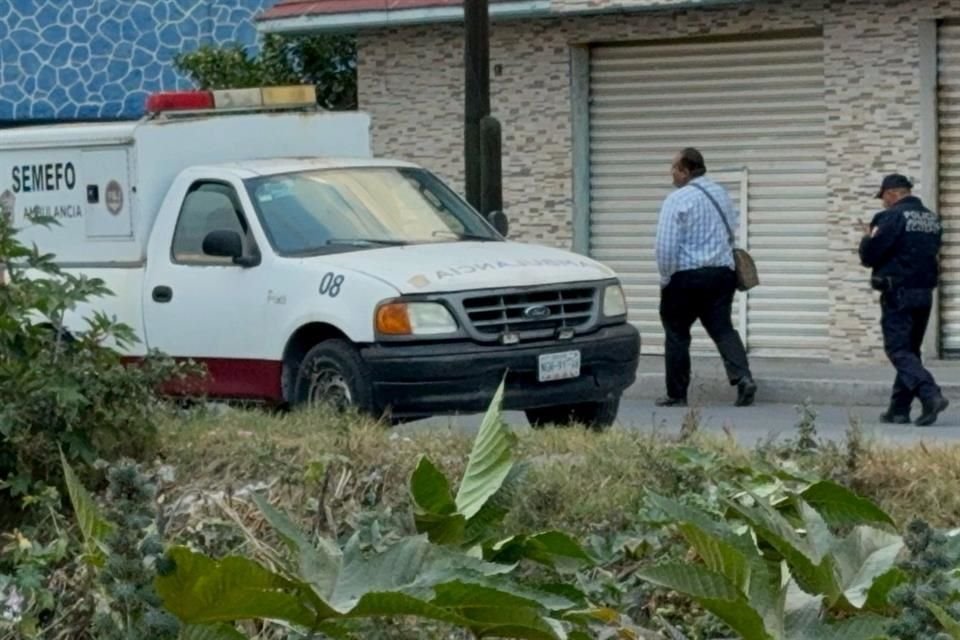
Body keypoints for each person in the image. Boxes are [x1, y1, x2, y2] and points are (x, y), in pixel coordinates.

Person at [654, 148, 756, 407]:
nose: (672, 175)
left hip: (686, 278)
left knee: (677, 333)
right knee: (722, 328)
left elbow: (666, 248)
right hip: (721, 275)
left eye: (674, 169)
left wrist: (666, 278)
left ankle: (677, 395)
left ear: (686, 171)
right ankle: (743, 378)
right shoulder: (721, 194)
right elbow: (730, 230)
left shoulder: (676, 200)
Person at [859, 173, 949, 426]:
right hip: (924, 293)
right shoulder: (931, 218)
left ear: (892, 193)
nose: (884, 203)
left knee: (898, 350)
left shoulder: (891, 217)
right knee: (910, 351)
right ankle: (898, 409)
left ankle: (930, 394)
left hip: (897, 292)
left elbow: (870, 256)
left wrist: (868, 237)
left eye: (884, 198)